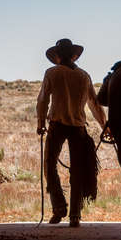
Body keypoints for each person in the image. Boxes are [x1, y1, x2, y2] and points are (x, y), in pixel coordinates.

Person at [36, 38, 107, 227]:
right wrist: (104, 126)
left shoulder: (51, 72)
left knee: (50, 166)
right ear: (74, 55)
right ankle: (75, 215)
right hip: (78, 128)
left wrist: (40, 122)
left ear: (58, 55)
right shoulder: (84, 76)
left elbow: (43, 100)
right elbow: (94, 103)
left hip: (57, 125)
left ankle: (59, 208)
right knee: (78, 170)